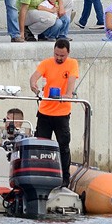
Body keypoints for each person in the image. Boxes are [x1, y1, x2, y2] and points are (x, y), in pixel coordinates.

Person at [29, 38, 79, 186]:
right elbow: (34, 78)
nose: (59, 57)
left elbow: (71, 83)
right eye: (56, 54)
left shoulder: (72, 64)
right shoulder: (46, 63)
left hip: (62, 114)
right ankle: (38, 174)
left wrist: (67, 95)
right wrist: (34, 86)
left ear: (68, 53)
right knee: (40, 145)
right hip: (44, 112)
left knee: (63, 146)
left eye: (62, 55)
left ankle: (65, 179)